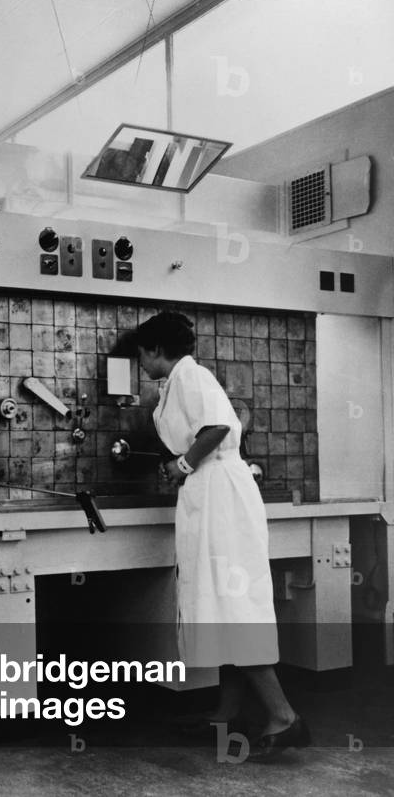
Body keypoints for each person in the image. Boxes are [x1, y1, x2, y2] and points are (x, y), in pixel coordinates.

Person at [134, 311, 309, 761]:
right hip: (208, 496)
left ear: (155, 349)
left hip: (222, 497)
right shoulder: (176, 383)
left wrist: (183, 464)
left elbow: (219, 428)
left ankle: (283, 716)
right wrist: (180, 464)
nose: (140, 361)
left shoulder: (192, 376)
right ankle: (226, 713)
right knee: (217, 602)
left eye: (142, 352)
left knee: (232, 606)